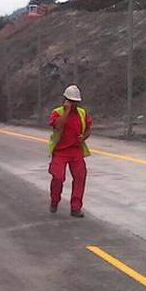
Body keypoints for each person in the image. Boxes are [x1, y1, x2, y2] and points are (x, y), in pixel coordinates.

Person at [47, 84, 92, 217]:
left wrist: (84, 137)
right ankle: (54, 201)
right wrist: (66, 111)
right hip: (60, 151)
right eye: (71, 102)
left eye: (75, 102)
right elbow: (57, 125)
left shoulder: (82, 113)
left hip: (76, 151)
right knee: (58, 177)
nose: (73, 105)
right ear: (65, 100)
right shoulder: (57, 113)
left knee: (80, 177)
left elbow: (89, 128)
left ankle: (76, 208)